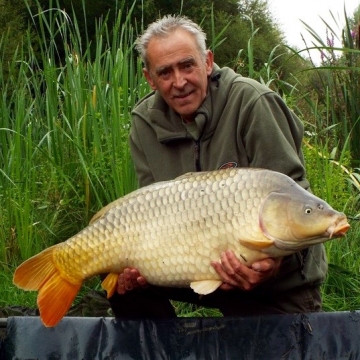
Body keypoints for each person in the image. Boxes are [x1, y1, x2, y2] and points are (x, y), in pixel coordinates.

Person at [107, 15, 327, 318]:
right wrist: (135, 267)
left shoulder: (253, 103)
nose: (180, 82)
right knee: (121, 284)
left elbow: (296, 205)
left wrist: (273, 265)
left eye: (187, 65)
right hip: (193, 265)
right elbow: (151, 210)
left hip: (273, 282)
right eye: (165, 73)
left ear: (208, 62)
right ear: (150, 79)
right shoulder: (145, 122)